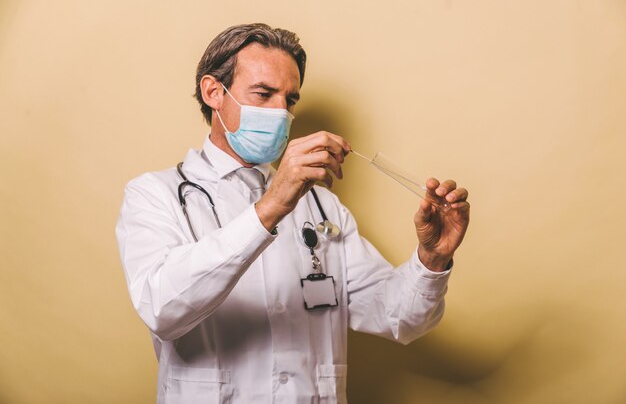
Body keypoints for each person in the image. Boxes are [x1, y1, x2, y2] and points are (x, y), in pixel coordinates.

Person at [115, 23, 470, 404]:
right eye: (264, 94)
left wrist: (432, 258)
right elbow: (162, 309)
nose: (281, 113)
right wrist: (272, 206)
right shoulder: (156, 194)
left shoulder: (322, 206)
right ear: (214, 92)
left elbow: (398, 318)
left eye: (290, 100)